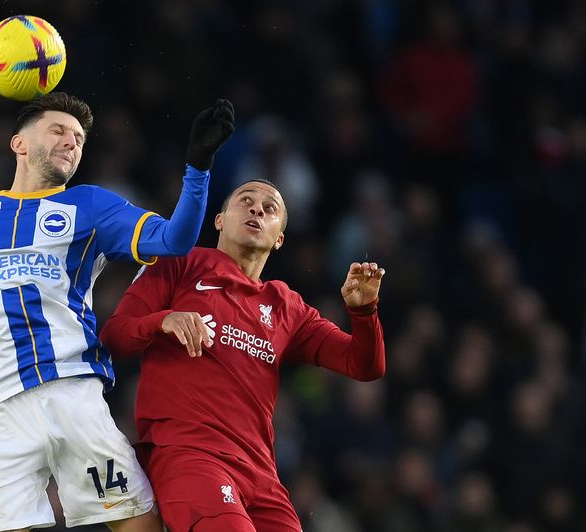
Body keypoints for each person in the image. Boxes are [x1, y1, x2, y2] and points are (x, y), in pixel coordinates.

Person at [0, 92, 235, 531]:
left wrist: (197, 169)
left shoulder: (90, 205)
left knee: (138, 524)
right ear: (19, 143)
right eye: (58, 130)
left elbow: (174, 240)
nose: (71, 142)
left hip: (73, 394)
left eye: (79, 138)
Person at [100, 179, 386, 531]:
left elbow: (364, 365)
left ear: (279, 238)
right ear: (219, 220)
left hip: (262, 478)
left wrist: (364, 313)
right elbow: (114, 337)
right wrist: (162, 321)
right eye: (245, 200)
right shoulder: (178, 264)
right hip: (190, 457)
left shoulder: (287, 307)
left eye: (270, 209)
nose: (256, 210)